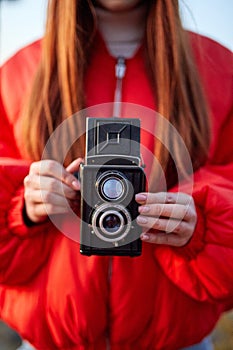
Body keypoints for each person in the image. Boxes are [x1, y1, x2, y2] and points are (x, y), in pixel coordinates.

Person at [0, 0, 233, 349]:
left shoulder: (218, 69)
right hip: (52, 338)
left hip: (175, 337)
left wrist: (201, 223)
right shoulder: (19, 72)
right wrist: (25, 207)